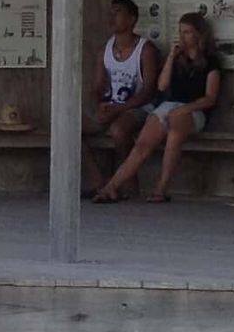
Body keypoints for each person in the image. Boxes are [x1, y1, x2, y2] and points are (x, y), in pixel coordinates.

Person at [94, 13, 222, 204]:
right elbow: (162, 86)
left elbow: (210, 98)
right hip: (169, 106)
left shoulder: (211, 62)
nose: (183, 36)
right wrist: (171, 57)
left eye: (187, 32)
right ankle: (111, 186)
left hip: (194, 110)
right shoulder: (178, 59)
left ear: (199, 35)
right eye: (180, 32)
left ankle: (161, 188)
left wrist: (183, 110)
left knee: (175, 132)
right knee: (143, 144)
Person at [80, 0, 160, 193]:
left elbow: (149, 91)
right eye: (110, 13)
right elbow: (97, 87)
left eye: (118, 13)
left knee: (119, 130)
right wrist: (101, 104)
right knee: (69, 129)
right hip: (112, 105)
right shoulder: (105, 50)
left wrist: (118, 110)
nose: (112, 17)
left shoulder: (145, 50)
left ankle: (127, 180)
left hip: (139, 107)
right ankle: (98, 181)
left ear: (132, 19)